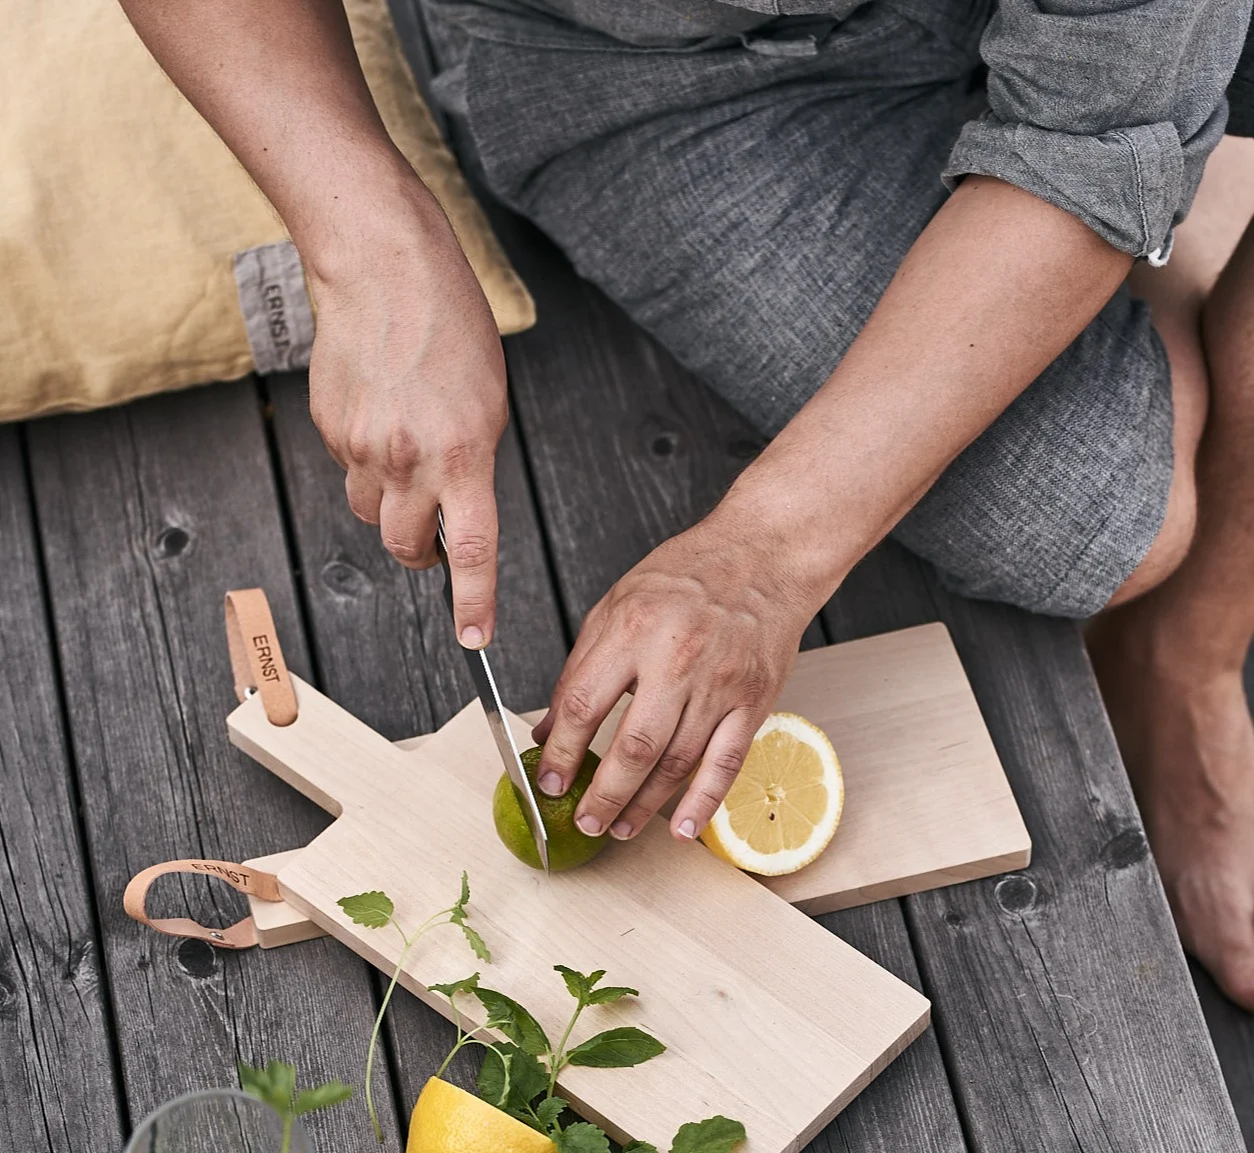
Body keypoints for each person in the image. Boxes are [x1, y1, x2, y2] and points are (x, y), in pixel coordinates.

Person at [120, 0, 1254, 1007]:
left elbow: (1088, 135)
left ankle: (1186, 661)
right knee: (1108, 519)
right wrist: (370, 246)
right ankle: (1143, 193)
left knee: (1125, 111)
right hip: (649, 61)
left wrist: (760, 556)